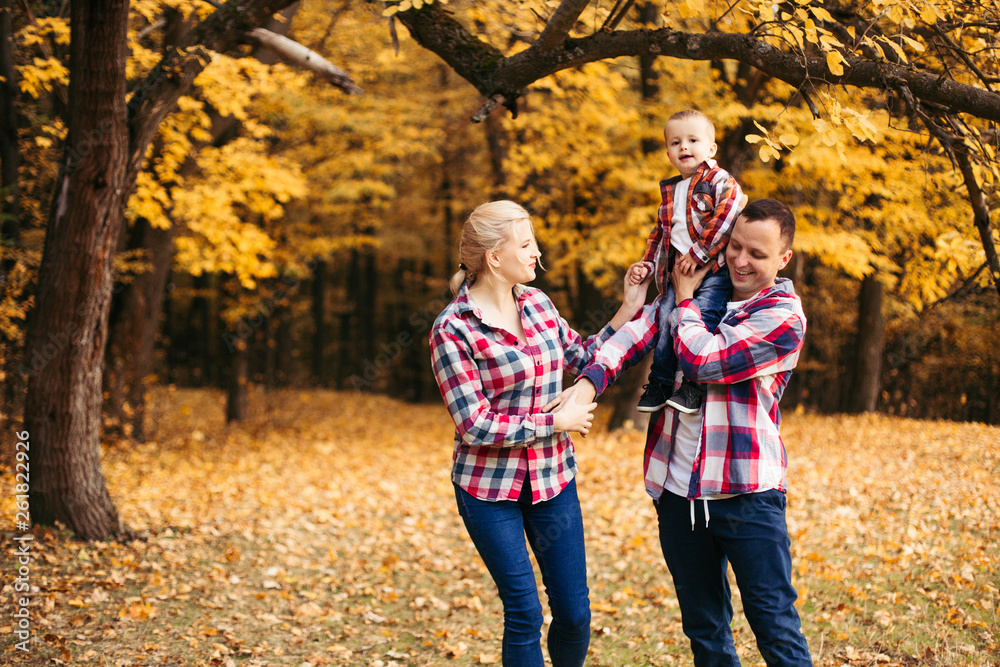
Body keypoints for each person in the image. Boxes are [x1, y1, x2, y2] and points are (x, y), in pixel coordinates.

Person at [574, 199, 813, 666]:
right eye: (735, 247)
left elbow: (703, 361)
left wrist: (684, 302)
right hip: (678, 493)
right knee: (704, 629)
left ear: (784, 258)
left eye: (757, 255)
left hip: (746, 495)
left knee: (774, 625)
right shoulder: (705, 290)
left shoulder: (783, 316)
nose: (740, 261)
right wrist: (587, 385)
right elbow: (631, 337)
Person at [429, 200, 651, 667]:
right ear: (494, 257)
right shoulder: (453, 329)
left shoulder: (539, 304)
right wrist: (554, 422)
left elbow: (582, 354)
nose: (537, 253)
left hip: (553, 479)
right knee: (525, 612)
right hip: (489, 491)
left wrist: (629, 308)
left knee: (573, 613)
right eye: (526, 244)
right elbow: (474, 424)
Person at [628, 109, 745, 415]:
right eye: (675, 142)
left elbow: (729, 213)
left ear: (711, 149)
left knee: (702, 319)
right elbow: (660, 236)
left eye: (693, 140)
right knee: (667, 323)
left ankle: (694, 386)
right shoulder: (670, 192)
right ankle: (661, 382)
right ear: (667, 151)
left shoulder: (718, 180)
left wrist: (699, 253)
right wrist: (648, 265)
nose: (683, 147)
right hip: (676, 275)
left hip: (712, 272)